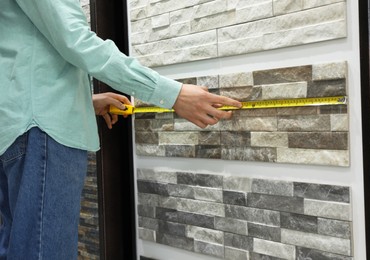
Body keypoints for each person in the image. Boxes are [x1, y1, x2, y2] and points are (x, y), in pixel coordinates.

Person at [0, 0, 241, 259]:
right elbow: (76, 41)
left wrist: (83, 100)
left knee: (17, 247)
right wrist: (172, 94)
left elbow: (22, 50)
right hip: (43, 131)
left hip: (18, 129)